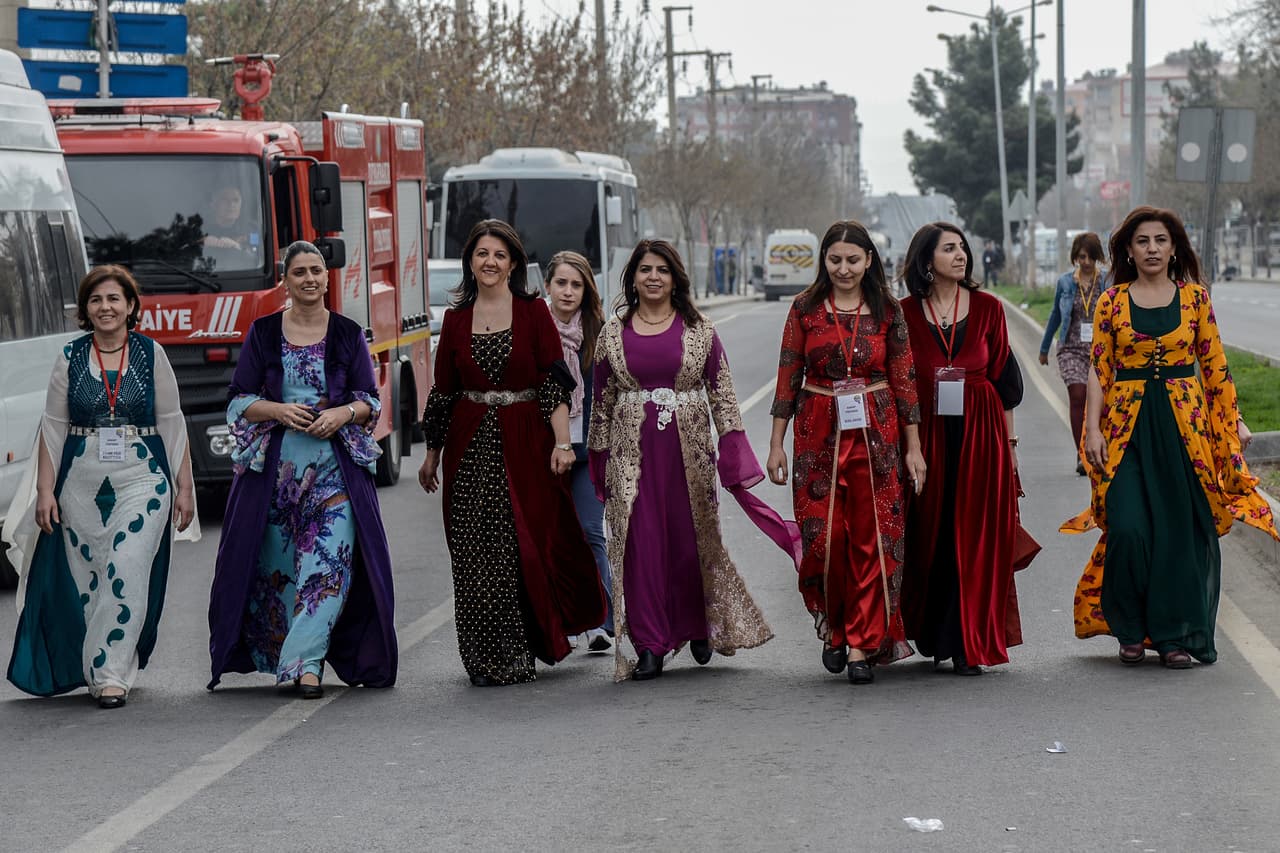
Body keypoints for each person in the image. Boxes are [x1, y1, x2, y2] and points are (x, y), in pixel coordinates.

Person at [1063, 206, 1278, 668]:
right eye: (1142, 241)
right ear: (1129, 250)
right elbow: (1099, 369)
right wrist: (1092, 430)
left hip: (1185, 429)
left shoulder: (1195, 299)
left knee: (1178, 532)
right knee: (1128, 528)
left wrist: (1235, 420)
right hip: (1125, 430)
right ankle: (1129, 627)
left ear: (1174, 248)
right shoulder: (1112, 301)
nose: (1152, 249)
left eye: (1161, 240)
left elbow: (1215, 367)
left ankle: (1173, 635)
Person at [588, 239, 800, 682]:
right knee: (642, 546)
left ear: (675, 279)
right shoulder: (612, 332)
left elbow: (722, 393)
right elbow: (601, 401)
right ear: (633, 278)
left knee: (689, 544)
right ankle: (650, 645)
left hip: (689, 455)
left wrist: (735, 453)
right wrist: (600, 458)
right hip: (631, 456)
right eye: (645, 269)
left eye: (662, 270)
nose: (653, 277)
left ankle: (697, 624)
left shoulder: (699, 329)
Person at [419, 220, 606, 686]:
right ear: (470, 261)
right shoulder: (456, 319)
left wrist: (562, 443)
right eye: (482, 253)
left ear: (514, 264)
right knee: (472, 552)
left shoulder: (532, 312)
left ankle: (517, 650)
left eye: (500, 255)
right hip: (468, 445)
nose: (490, 262)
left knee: (517, 546)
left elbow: (554, 383)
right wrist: (432, 453)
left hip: (525, 442)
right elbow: (444, 391)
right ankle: (482, 656)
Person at [208, 241, 397, 698]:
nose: (309, 278)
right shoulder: (263, 332)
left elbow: (369, 401)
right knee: (280, 572)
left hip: (335, 474)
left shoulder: (349, 333)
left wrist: (341, 414)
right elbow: (238, 399)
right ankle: (287, 657)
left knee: (328, 568)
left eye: (316, 270)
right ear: (285, 281)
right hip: (275, 475)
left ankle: (305, 666)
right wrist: (277, 409)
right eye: (299, 272)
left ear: (327, 277)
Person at [5, 265, 197, 708]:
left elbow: (172, 423)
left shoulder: (150, 353)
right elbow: (53, 428)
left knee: (127, 566)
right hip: (81, 482)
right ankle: (104, 664)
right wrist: (45, 491)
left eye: (114, 299)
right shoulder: (70, 357)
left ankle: (110, 674)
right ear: (85, 310)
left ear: (130, 306)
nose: (105, 307)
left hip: (144, 478)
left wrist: (185, 488)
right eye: (96, 300)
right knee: (90, 579)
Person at [766, 221, 926, 685]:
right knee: (826, 539)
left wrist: (914, 447)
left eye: (852, 260)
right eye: (834, 260)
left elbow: (905, 380)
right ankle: (835, 626)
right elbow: (787, 375)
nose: (843, 269)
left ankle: (860, 643)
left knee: (871, 539)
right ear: (824, 261)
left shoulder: (888, 310)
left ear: (869, 260)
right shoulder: (805, 308)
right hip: (817, 431)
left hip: (877, 432)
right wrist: (776, 444)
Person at [899, 222, 1027, 675]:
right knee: (931, 531)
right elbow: (899, 382)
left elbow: (1006, 385)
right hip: (927, 435)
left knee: (974, 536)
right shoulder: (904, 314)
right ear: (926, 261)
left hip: (981, 434)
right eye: (949, 249)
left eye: (962, 248)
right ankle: (936, 632)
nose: (960, 256)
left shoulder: (990, 309)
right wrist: (909, 446)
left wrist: (1010, 448)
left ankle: (968, 642)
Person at [544, 250, 614, 653]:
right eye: (561, 283)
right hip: (543, 448)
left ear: (587, 291)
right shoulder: (534, 327)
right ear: (548, 285)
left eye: (577, 285)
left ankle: (602, 620)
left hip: (589, 449)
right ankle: (562, 621)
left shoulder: (599, 332)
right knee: (552, 536)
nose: (568, 292)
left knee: (590, 531)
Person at [1039, 232, 1107, 475]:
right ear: (1075, 257)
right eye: (1081, 257)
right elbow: (1056, 315)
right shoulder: (1066, 282)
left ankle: (1098, 446)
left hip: (1100, 350)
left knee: (1098, 401)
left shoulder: (1106, 281)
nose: (1086, 262)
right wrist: (1044, 348)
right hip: (1071, 348)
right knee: (1078, 395)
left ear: (1097, 257)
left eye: (1090, 257)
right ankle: (1082, 454)